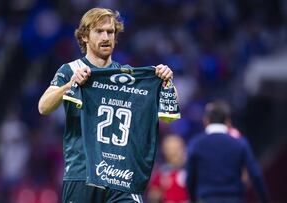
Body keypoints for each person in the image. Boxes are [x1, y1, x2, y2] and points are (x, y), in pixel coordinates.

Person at [38, 7, 174, 203]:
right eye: (99, 31)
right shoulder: (71, 70)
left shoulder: (126, 75)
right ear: (85, 37)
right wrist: (70, 84)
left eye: (110, 32)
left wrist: (166, 80)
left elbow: (166, 112)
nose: (106, 37)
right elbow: (43, 106)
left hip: (121, 174)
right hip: (82, 173)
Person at [186, 101, 268, 203]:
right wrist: (264, 200)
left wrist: (193, 199)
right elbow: (255, 175)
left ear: (206, 121)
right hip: (234, 199)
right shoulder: (240, 143)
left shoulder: (196, 144)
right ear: (228, 121)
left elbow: (190, 177)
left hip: (206, 199)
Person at [148, 134, 189, 203]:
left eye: (176, 148)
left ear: (183, 148)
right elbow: (153, 195)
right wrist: (155, 196)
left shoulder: (191, 171)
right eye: (169, 149)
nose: (173, 152)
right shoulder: (162, 173)